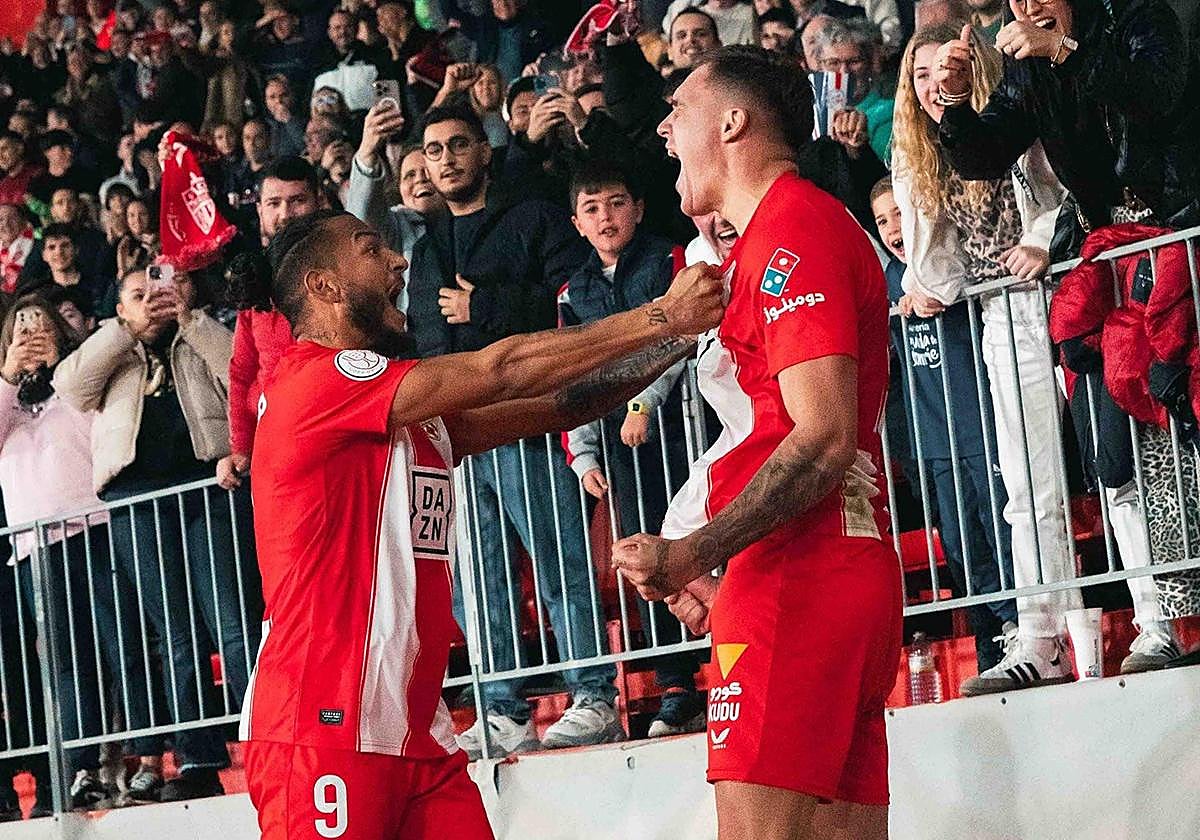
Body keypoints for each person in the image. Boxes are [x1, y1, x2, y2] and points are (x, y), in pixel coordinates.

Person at [237, 208, 723, 839]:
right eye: (371, 249)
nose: (398, 260)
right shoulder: (316, 380)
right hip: (320, 723)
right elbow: (499, 369)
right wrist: (663, 315)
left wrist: (684, 339)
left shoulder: (395, 408)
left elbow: (563, 404)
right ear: (323, 286)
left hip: (414, 728)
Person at [612, 46, 899, 840]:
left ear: (733, 122)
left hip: (797, 576)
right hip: (833, 565)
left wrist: (692, 551)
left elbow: (823, 436)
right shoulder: (776, 234)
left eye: (679, 108)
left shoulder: (792, 228)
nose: (664, 129)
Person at [895, 22, 1176, 689]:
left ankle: (1157, 621)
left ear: (974, 71)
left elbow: (1068, 192)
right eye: (920, 76)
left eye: (945, 71)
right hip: (1003, 313)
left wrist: (1044, 241)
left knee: (1115, 467)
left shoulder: (1013, 117)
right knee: (1027, 487)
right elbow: (937, 268)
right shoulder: (920, 154)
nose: (934, 87)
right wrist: (920, 282)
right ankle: (1041, 638)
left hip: (1074, 295)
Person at [407, 104, 624, 756]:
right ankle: (502, 710)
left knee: (560, 564)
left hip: (528, 423)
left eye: (458, 145)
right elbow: (423, 343)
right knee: (481, 585)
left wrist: (488, 307)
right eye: (434, 150)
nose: (446, 159)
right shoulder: (425, 248)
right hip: (456, 439)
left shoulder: (532, 219)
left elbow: (580, 304)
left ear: (485, 151)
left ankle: (594, 695)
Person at [53, 265, 261, 803]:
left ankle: (267, 741)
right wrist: (125, 331)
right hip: (137, 504)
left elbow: (241, 371)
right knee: (175, 636)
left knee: (234, 623)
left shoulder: (198, 331)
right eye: (138, 294)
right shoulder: (114, 348)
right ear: (119, 308)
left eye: (162, 289)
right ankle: (198, 757)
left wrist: (190, 320)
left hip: (209, 490)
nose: (153, 300)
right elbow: (70, 387)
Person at [559, 159, 706, 737]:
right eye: (592, 209)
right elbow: (575, 375)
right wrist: (584, 455)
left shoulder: (670, 259)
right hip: (624, 453)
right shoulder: (572, 291)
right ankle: (677, 687)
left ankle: (732, 661)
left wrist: (643, 405)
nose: (606, 217)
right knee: (649, 556)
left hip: (690, 430)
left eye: (617, 203)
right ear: (577, 223)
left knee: (705, 541)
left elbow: (681, 337)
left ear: (639, 209)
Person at [0, 296, 156, 810]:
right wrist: (9, 376)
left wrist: (58, 365)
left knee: (124, 648)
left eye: (41, 325)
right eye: (19, 329)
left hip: (97, 528)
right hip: (36, 547)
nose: (30, 334)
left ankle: (148, 758)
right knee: (69, 665)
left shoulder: (77, 382)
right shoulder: (5, 400)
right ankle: (82, 769)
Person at [871, 175, 1017, 670]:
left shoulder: (951, 260)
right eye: (882, 221)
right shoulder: (890, 279)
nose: (893, 228)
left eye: (898, 213)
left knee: (1001, 532)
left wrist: (941, 292)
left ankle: (1021, 624)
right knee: (958, 543)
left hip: (981, 426)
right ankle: (997, 630)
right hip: (935, 438)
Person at [933, 0, 1200, 232]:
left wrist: (1063, 51)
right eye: (1020, 0)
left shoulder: (1139, 15)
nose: (1032, 8)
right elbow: (985, 158)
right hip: (1107, 233)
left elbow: (1155, 97)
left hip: (1181, 222)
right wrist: (956, 103)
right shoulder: (1029, 67)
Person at [219, 156, 320, 490]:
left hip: (333, 434)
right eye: (274, 203)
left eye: (297, 200)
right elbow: (242, 371)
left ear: (318, 201)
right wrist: (241, 448)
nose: (285, 214)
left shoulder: (344, 266)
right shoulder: (252, 280)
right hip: (275, 447)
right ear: (259, 210)